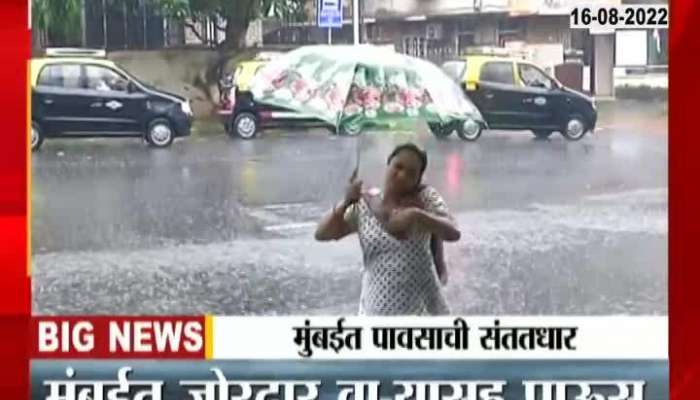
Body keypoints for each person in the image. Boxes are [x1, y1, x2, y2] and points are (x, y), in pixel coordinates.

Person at [315, 143, 460, 315]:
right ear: (388, 165)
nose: (402, 175)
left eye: (411, 173)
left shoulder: (426, 198)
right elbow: (322, 233)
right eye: (398, 167)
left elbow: (453, 232)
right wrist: (345, 202)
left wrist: (417, 216)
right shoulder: (366, 204)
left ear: (418, 180)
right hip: (376, 307)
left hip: (422, 307)